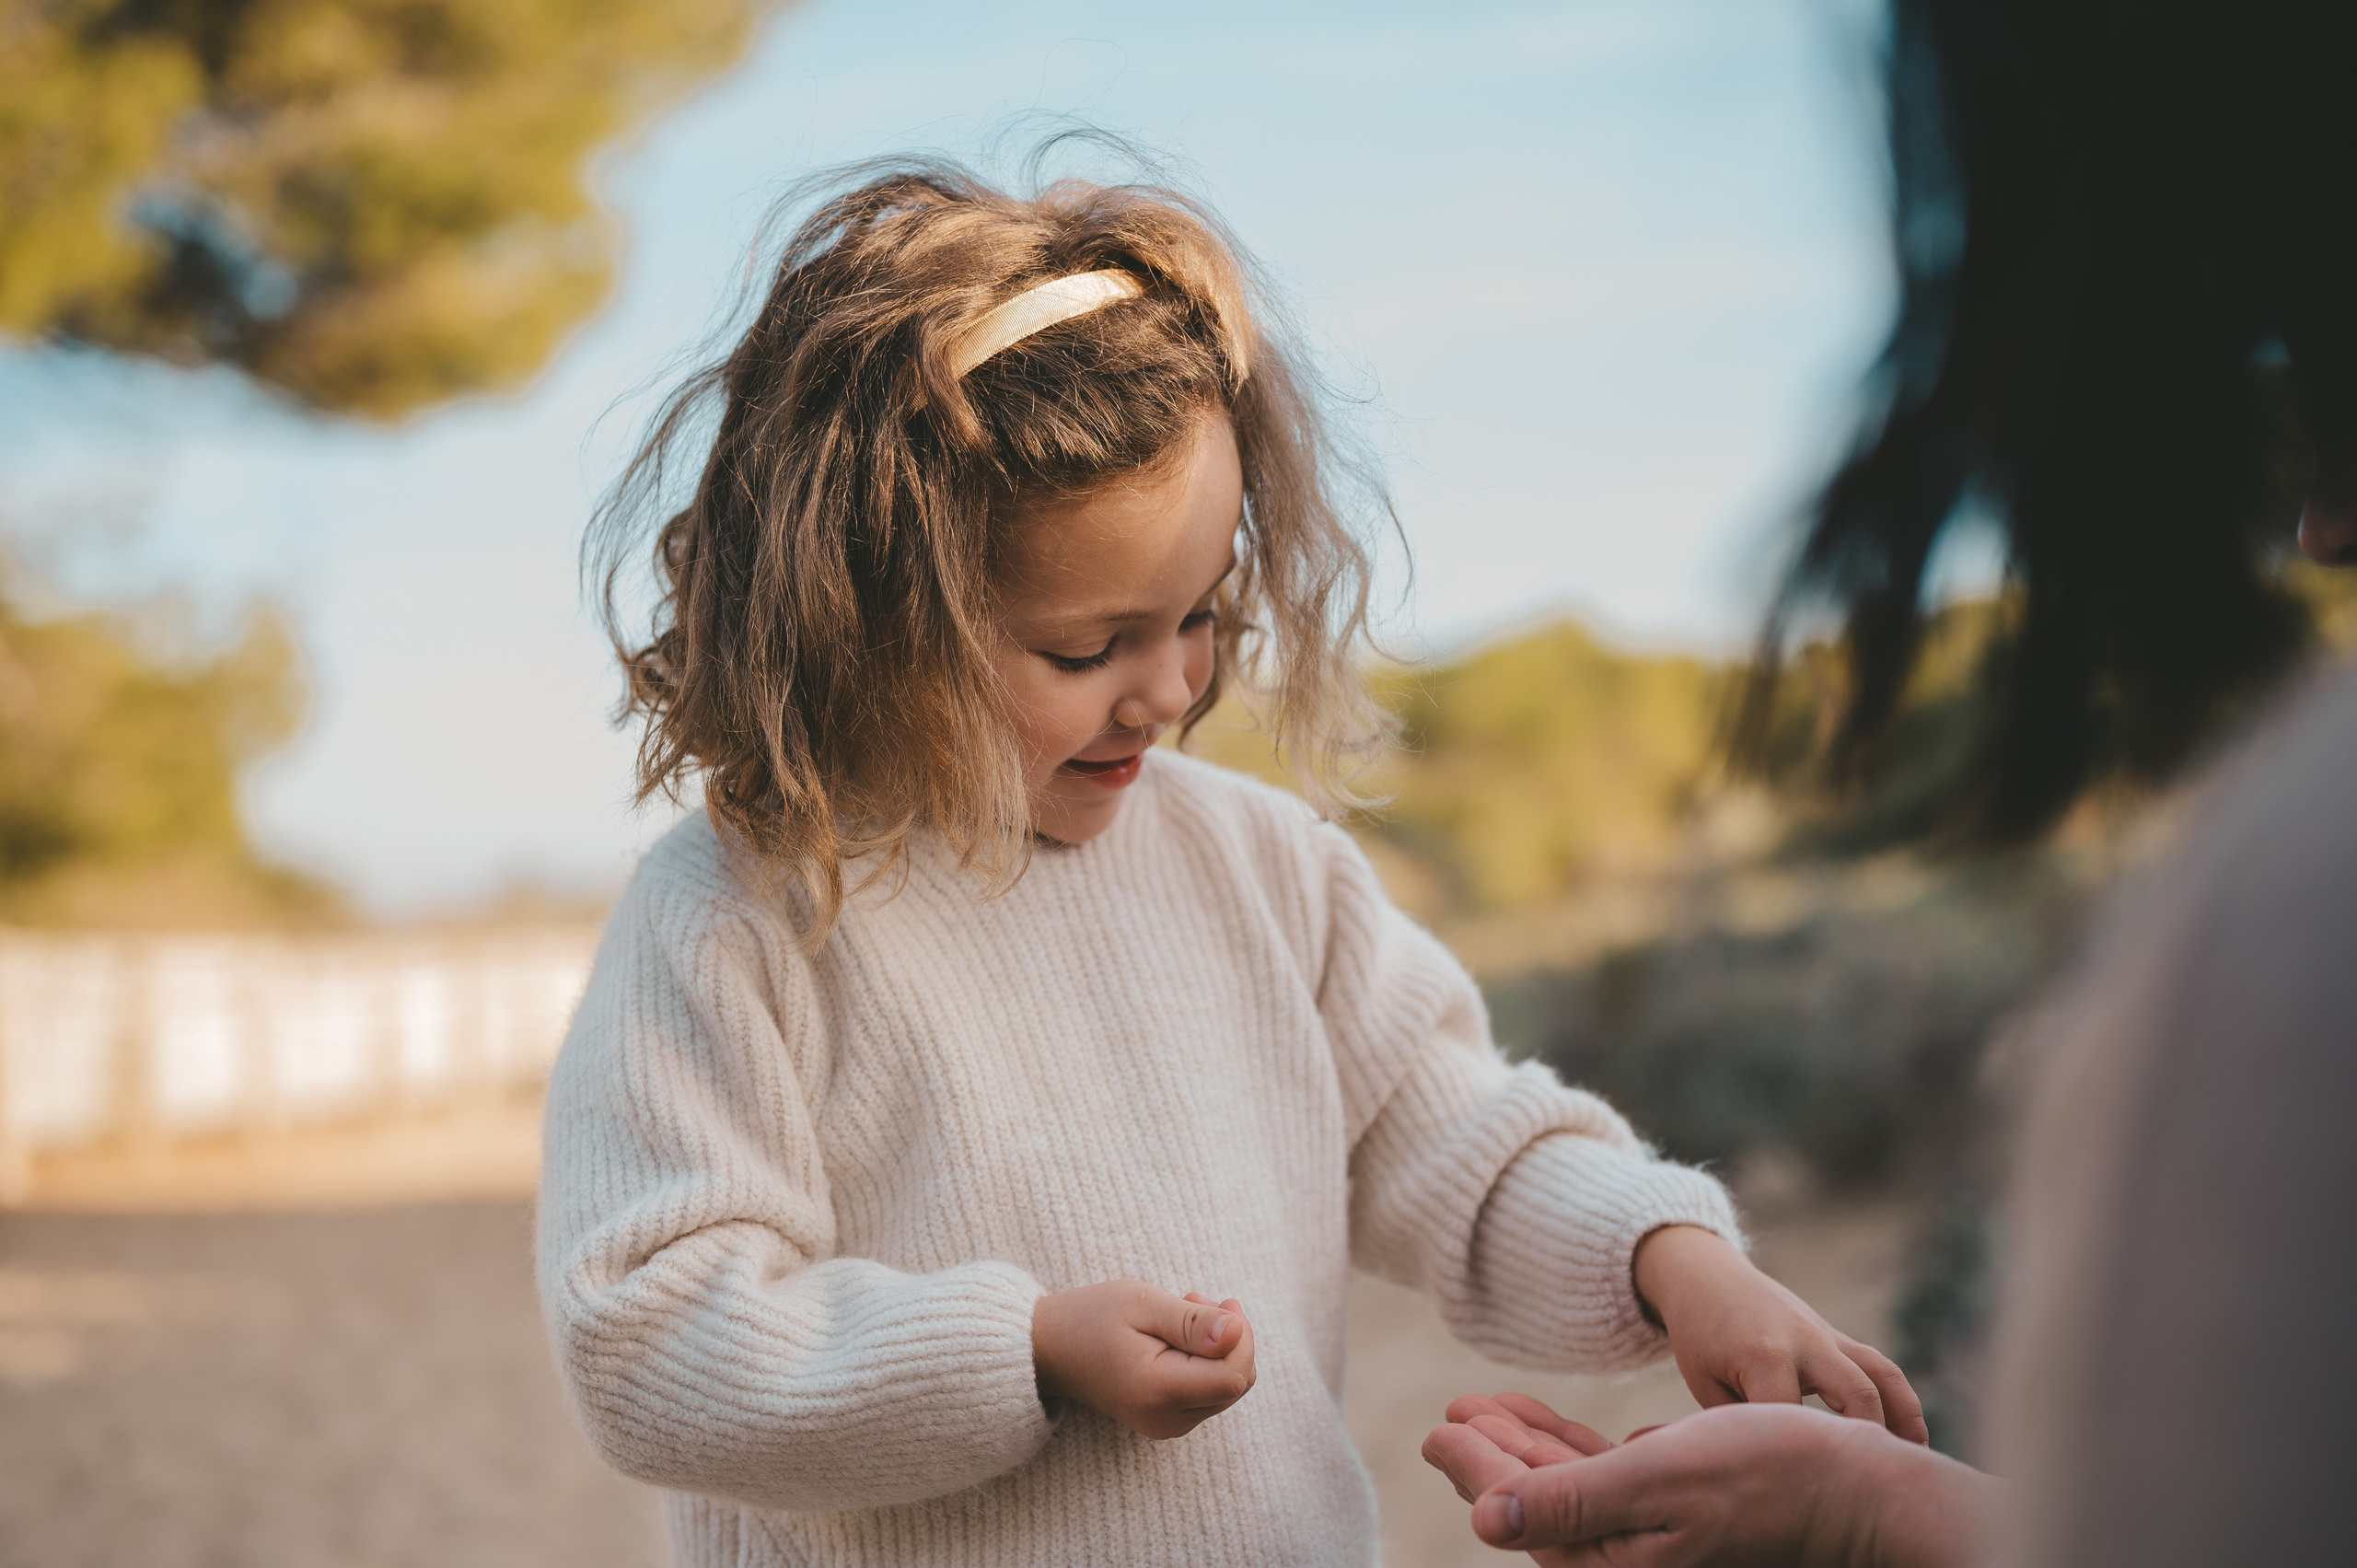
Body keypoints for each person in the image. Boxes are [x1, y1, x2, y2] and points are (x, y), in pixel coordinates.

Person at [532, 157, 1925, 1568]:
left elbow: (1455, 1137)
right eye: (1087, 649)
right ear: (871, 612)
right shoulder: (733, 923)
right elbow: (652, 1338)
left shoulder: (1261, 867)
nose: (1168, 691)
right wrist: (1023, 1350)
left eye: (1200, 615)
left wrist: (1670, 1260)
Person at [1423, 0, 2357, 1562]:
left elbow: (1443, 1117)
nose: (2317, 522)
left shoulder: (2290, 927)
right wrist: (1872, 1502)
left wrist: (1672, 1254)